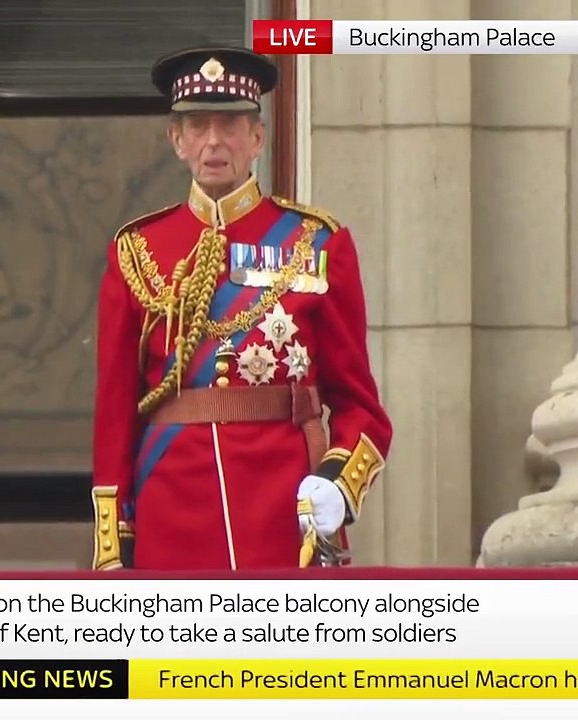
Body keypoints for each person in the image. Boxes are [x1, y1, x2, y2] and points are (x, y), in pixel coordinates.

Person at [90, 47, 392, 571]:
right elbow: (116, 412)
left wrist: (339, 484)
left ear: (257, 139)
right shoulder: (138, 250)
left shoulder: (318, 243)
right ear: (176, 141)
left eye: (229, 125)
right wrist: (114, 544)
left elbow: (360, 405)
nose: (214, 141)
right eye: (198, 125)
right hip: (171, 508)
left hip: (282, 507)